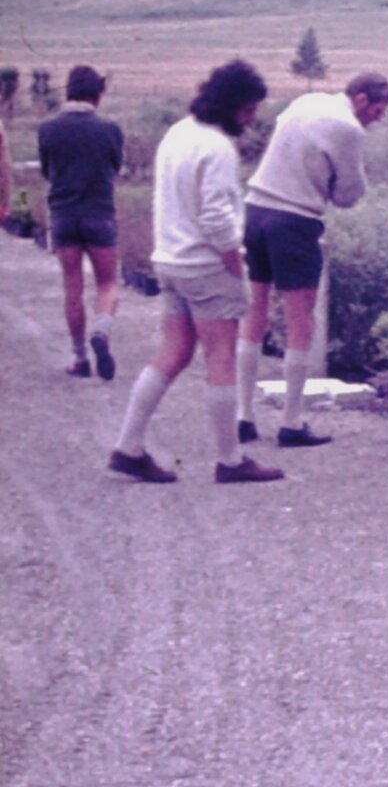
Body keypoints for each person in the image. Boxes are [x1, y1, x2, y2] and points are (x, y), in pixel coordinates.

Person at [108, 60, 283, 485]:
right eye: (248, 111)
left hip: (170, 260)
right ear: (231, 106)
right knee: (220, 357)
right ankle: (231, 459)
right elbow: (218, 218)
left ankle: (128, 446)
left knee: (174, 352)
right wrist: (235, 262)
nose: (252, 119)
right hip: (206, 266)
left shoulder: (178, 133)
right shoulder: (218, 148)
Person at [237, 71, 388, 447]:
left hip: (255, 210)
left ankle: (243, 415)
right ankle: (292, 422)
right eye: (376, 109)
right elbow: (349, 194)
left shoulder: (306, 102)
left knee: (253, 312)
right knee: (300, 320)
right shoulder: (348, 130)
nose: (377, 117)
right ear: (360, 99)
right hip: (294, 221)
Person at [36, 65, 125, 379]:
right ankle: (101, 331)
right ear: (97, 94)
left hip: (63, 216)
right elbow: (115, 168)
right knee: (108, 283)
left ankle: (79, 359)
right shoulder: (110, 128)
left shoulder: (47, 128)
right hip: (99, 215)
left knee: (72, 288)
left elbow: (47, 171)